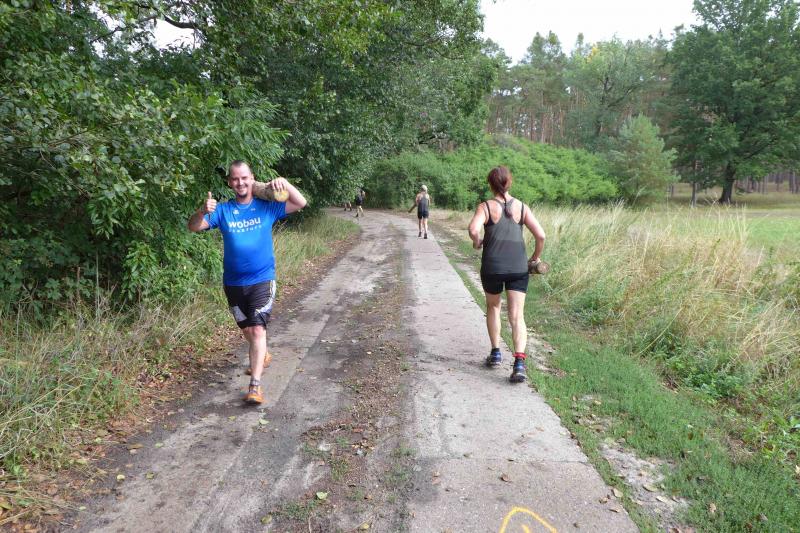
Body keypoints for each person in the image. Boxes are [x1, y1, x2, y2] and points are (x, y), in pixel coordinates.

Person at [188, 161, 307, 404]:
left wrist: (284, 183)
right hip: (233, 282)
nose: (240, 182)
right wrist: (201, 211)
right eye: (235, 179)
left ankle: (255, 385)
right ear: (230, 183)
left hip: (262, 279)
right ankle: (262, 355)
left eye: (244, 178)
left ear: (252, 178)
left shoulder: (267, 207)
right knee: (247, 330)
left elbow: (300, 202)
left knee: (257, 329)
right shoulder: (223, 210)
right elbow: (194, 227)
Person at [467, 166, 545, 384]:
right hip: (518, 267)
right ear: (509, 183)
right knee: (517, 315)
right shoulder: (522, 207)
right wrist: (535, 258)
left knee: (493, 307)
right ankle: (519, 363)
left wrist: (477, 242)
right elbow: (541, 235)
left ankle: (495, 353)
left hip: (492, 266)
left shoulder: (485, 206)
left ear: (490, 184)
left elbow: (473, 229)